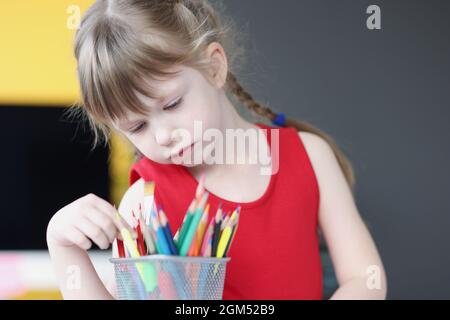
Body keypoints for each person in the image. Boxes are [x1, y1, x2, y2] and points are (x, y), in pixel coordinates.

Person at [46, 0, 386, 299]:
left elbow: (365, 278)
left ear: (214, 67)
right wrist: (63, 248)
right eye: (137, 127)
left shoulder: (310, 156)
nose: (164, 135)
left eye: (173, 104)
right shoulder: (145, 202)